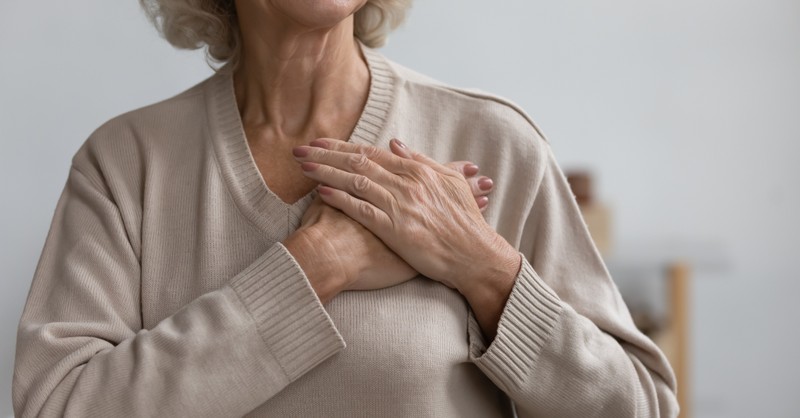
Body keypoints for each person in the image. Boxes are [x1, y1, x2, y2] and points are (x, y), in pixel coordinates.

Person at [12, 0, 679, 416]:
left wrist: (483, 269)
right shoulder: (126, 164)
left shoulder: (492, 144)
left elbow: (639, 406)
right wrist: (314, 266)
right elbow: (59, 406)